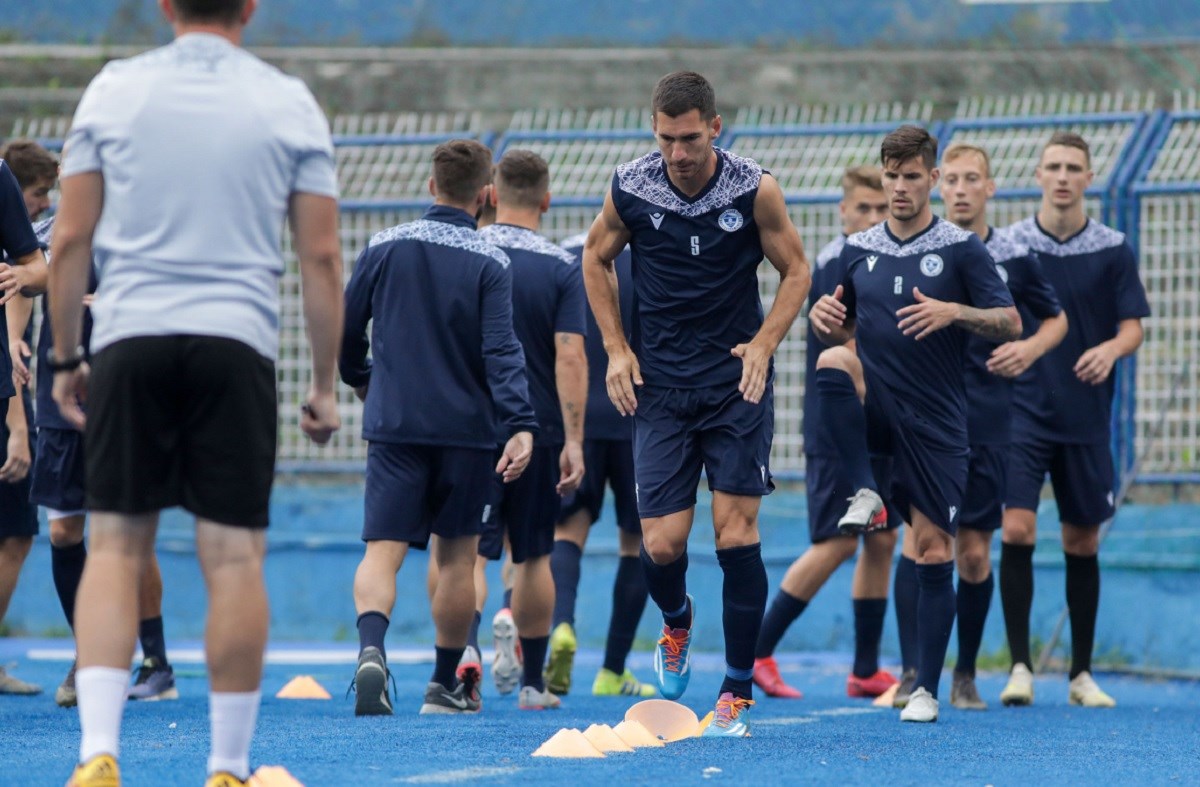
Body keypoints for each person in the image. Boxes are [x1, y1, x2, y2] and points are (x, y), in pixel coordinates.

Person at [49, 2, 343, 784]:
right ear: (250, 6)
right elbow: (320, 257)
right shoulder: (288, 100)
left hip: (129, 337)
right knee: (234, 558)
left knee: (112, 549)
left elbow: (70, 239)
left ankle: (98, 754)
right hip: (234, 342)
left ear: (165, 5)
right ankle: (226, 765)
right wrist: (322, 383)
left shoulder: (113, 90)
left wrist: (66, 359)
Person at [582, 71, 811, 737]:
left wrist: (766, 343)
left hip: (735, 383)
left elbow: (797, 269)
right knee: (661, 542)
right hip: (661, 388)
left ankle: (736, 690)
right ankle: (677, 619)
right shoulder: (631, 186)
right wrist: (616, 348)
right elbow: (595, 260)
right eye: (665, 139)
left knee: (735, 532)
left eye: (688, 138)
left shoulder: (754, 187)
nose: (677, 154)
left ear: (715, 126)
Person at [809, 124, 1020, 723]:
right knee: (833, 360)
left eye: (910, 177)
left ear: (931, 178)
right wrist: (827, 316)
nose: (899, 188)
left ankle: (925, 686)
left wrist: (954, 310)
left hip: (938, 422)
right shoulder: (858, 247)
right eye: (890, 175)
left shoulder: (961, 248)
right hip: (878, 411)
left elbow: (1011, 322)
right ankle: (864, 488)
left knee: (931, 550)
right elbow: (845, 325)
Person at [341, 140, 537, 717]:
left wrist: (362, 379)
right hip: (468, 433)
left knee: (382, 553)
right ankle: (444, 683)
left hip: (395, 424)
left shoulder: (384, 245)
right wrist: (520, 423)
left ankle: (372, 650)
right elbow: (501, 350)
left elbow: (350, 327)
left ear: (432, 187)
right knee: (456, 560)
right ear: (487, 196)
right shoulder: (491, 260)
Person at [1, 141, 180, 709]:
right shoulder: (54, 229)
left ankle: (154, 658)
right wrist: (14, 337)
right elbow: (27, 278)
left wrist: (103, 299)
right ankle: (89, 654)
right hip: (62, 401)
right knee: (63, 532)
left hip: (125, 394)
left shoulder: (141, 231)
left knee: (127, 531)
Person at [998, 132, 1149, 709]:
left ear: (1088, 178)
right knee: (1017, 530)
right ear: (1038, 174)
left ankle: (1081, 673)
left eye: (1073, 168)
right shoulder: (1010, 244)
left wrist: (1111, 349)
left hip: (1086, 417)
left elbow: (1133, 324)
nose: (1063, 177)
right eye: (1053, 167)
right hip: (1022, 411)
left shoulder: (1113, 247)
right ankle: (1018, 667)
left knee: (1081, 539)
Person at [752, 166, 900, 701]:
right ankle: (757, 650)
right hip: (840, 431)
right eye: (863, 208)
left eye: (881, 209)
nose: (873, 218)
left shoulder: (891, 258)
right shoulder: (840, 262)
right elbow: (854, 336)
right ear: (842, 212)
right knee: (838, 541)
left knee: (883, 539)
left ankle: (864, 669)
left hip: (883, 425)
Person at [934, 142, 1067, 709]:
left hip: (989, 424)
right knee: (921, 546)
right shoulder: (922, 251)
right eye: (954, 179)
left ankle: (964, 673)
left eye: (973, 180)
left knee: (973, 554)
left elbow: (1056, 319)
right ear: (940, 186)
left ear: (991, 188)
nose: (962, 189)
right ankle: (915, 669)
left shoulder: (1014, 254)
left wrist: (1030, 349)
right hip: (928, 420)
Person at [476, 149, 588, 710]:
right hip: (538, 426)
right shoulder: (561, 265)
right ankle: (533, 684)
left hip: (471, 427)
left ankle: (459, 665)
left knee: (465, 553)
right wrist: (573, 440)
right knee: (535, 555)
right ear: (547, 199)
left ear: (491, 195)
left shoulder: (468, 252)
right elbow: (570, 355)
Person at [542, 233, 655, 698]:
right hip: (637, 413)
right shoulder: (652, 255)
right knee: (639, 543)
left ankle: (562, 626)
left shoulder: (564, 259)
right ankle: (612, 670)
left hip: (578, 418)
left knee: (569, 532)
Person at [0, 146, 50, 697]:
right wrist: (18, 426)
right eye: (38, 196)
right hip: (12, 401)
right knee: (15, 534)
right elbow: (12, 347)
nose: (44, 206)